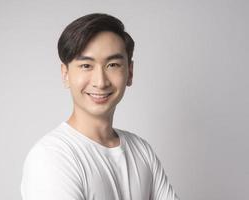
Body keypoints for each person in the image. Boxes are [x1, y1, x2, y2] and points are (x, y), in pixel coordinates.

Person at [20, 13, 179, 200]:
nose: (100, 82)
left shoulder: (142, 151)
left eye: (112, 65)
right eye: (86, 66)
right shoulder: (51, 157)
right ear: (65, 75)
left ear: (129, 72)